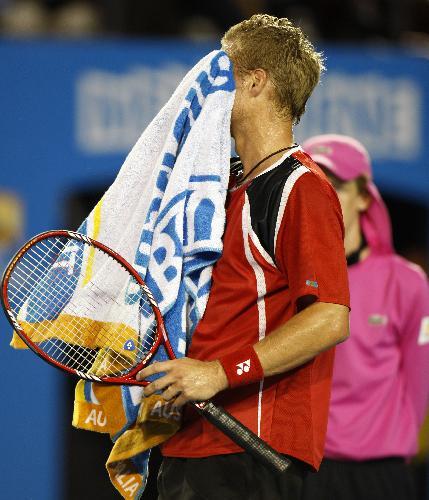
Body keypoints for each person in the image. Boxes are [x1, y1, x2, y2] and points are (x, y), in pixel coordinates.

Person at [137, 15, 350, 499]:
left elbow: (331, 318)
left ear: (256, 82)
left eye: (221, 74)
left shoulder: (302, 188)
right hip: (188, 442)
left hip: (249, 451)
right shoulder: (222, 188)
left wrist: (217, 373)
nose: (208, 89)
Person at [300, 134, 429, 500]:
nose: (323, 198)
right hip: (307, 472)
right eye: (313, 186)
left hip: (381, 477)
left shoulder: (407, 283)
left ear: (363, 198)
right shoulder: (286, 280)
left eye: (336, 186)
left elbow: (418, 391)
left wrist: (384, 444)